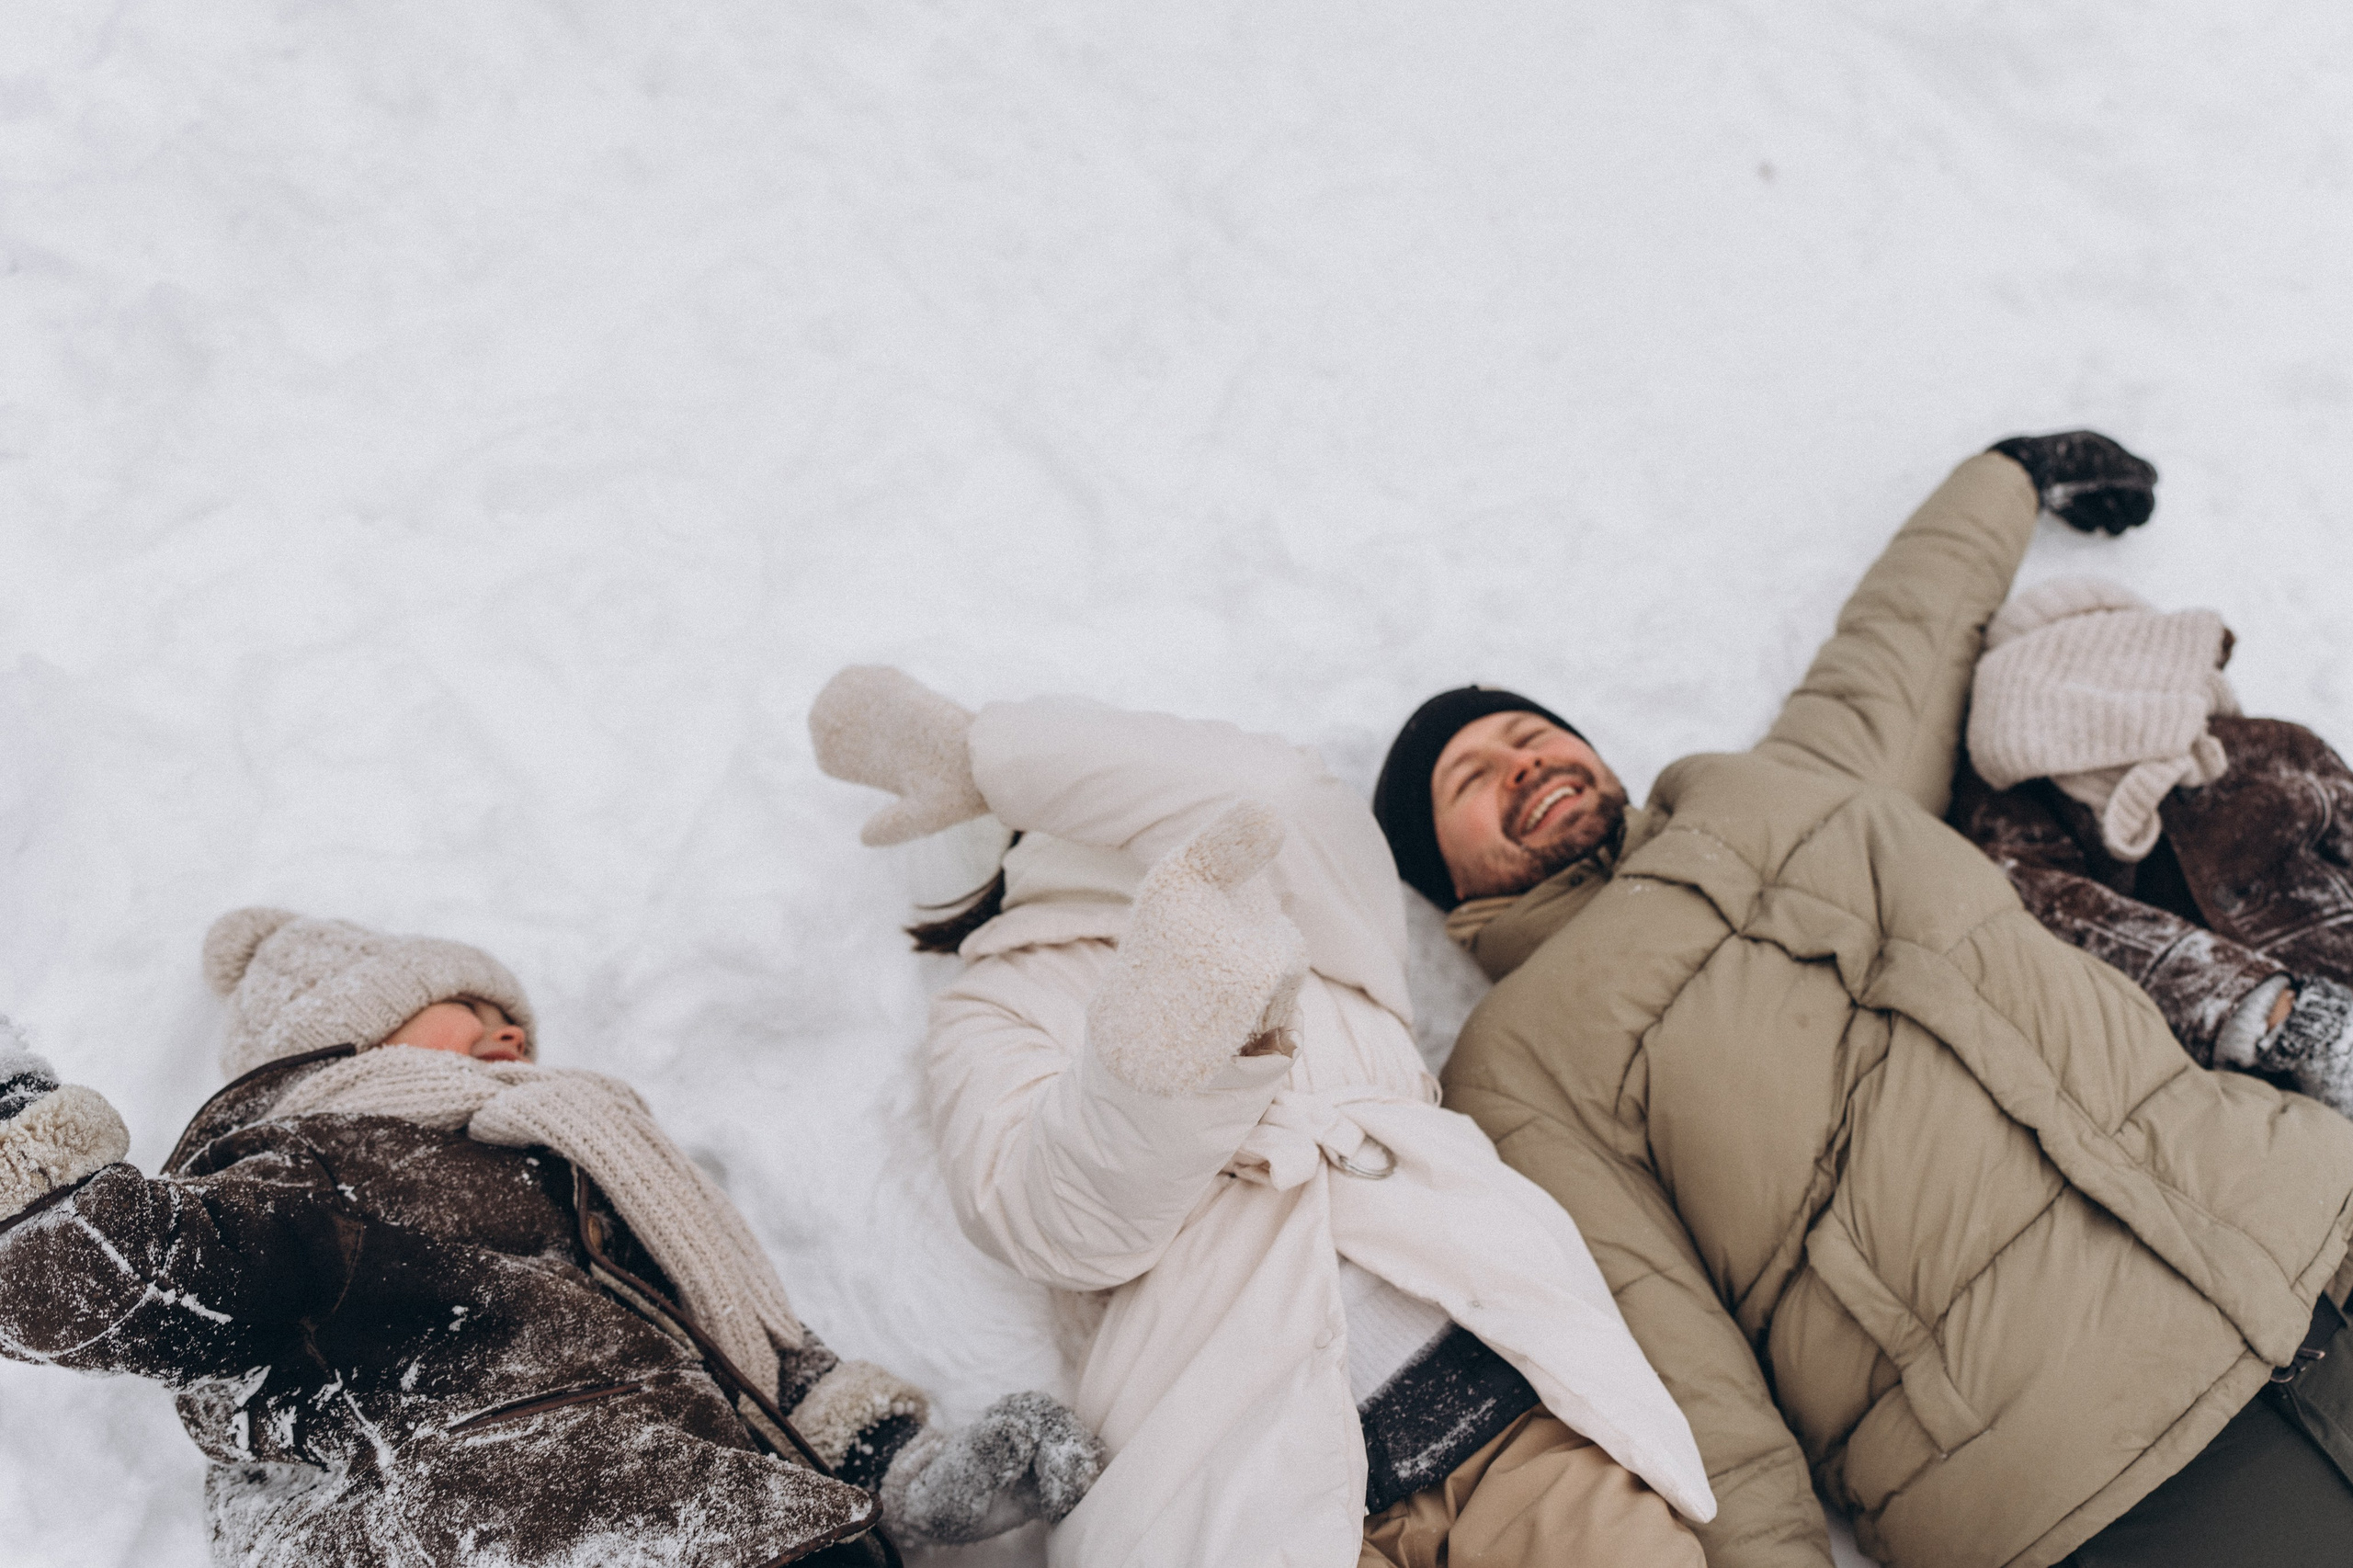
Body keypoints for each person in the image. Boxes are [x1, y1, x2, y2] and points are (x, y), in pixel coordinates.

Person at [1370, 432, 2353, 1568]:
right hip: (2083, 1458)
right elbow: (1679, 1366)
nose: (1521, 763)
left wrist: (2008, 476)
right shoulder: (1518, 1062)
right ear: (1443, 878)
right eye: (1472, 777)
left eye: (1530, 734)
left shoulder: (1780, 790)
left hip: (2296, 1212)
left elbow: (1897, 644)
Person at [810, 669, 1715, 1567]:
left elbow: (1267, 787)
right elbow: (1054, 1224)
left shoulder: (1293, 885)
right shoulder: (997, 1001)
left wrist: (982, 752)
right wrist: (1162, 1052)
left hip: (1522, 1427)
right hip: (1249, 1498)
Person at [0, 907, 1103, 1567]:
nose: (510, 1027)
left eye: (513, 1015)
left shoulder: (609, 1185)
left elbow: (764, 1377)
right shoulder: (319, 1165)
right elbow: (124, 1279)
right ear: (348, 1040)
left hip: (744, 1525)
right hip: (513, 1528)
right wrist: (15, 1130)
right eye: (466, 1008)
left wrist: (919, 1477)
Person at [1943, 574, 2353, 1109]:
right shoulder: (2022, 796)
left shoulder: (2269, 744)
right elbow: (2054, 917)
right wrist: (2280, 1015)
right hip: (2244, 1080)